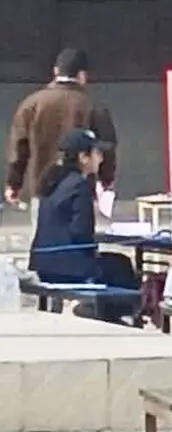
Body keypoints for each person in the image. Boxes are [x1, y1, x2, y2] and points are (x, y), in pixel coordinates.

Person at [28, 127, 139, 325]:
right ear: (83, 157)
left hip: (43, 263)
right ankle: (116, 316)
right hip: (67, 266)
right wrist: (93, 250)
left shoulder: (53, 182)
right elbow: (81, 231)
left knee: (113, 263)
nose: (101, 159)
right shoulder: (80, 186)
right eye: (97, 153)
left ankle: (104, 313)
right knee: (121, 265)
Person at [6, 49, 118, 220]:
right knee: (80, 234)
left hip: (42, 190)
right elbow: (107, 147)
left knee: (44, 235)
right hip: (81, 191)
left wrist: (13, 183)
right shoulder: (93, 106)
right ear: (82, 75)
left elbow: (19, 147)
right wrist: (106, 181)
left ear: (56, 71)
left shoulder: (31, 104)